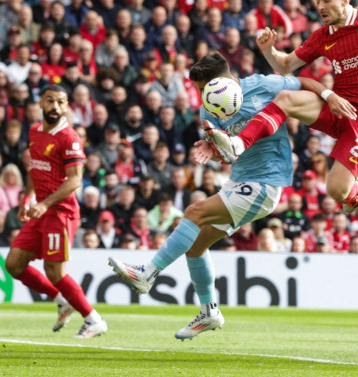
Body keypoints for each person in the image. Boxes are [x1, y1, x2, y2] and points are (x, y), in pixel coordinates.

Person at [107, 52, 336, 339]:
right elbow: (225, 152)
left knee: (193, 212)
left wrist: (328, 95)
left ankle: (148, 273)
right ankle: (209, 312)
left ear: (220, 82)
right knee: (195, 246)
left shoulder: (262, 85)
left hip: (265, 182)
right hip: (238, 181)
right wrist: (211, 149)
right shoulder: (209, 109)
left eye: (202, 88)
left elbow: (303, 82)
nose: (200, 95)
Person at [204, 0, 358, 213]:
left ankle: (353, 189)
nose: (321, 6)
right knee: (285, 97)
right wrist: (269, 51)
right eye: (317, 0)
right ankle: (237, 144)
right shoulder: (322, 35)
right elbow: (286, 65)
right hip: (336, 104)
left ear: (345, 0)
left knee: (337, 191)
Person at [3, 85, 107, 337]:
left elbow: (75, 180)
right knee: (14, 264)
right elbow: (35, 168)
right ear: (41, 103)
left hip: (60, 212)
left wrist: (43, 204)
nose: (55, 107)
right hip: (41, 210)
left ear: (66, 105)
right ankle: (61, 300)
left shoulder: (69, 138)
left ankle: (93, 319)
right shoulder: (34, 131)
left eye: (60, 102)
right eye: (50, 101)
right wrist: (27, 198)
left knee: (55, 270)